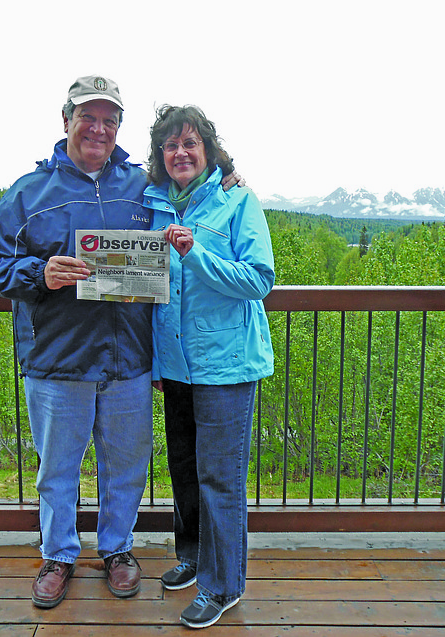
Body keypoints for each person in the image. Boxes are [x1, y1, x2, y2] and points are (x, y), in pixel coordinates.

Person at [0, 77, 241, 610]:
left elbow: (192, 190)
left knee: (126, 466)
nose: (98, 128)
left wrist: (227, 175)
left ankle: (117, 549)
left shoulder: (144, 187)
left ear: (118, 127)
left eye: (109, 119)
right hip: (56, 360)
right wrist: (38, 271)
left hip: (130, 360)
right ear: (66, 120)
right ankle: (58, 554)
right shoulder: (30, 191)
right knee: (58, 469)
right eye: (87, 116)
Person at [143, 105, 275, 629]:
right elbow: (148, 289)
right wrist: (155, 358)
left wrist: (196, 253)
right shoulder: (152, 204)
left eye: (190, 143)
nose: (180, 153)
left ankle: (224, 587)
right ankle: (194, 557)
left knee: (220, 479)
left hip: (226, 367)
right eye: (170, 145)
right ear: (160, 155)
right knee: (184, 471)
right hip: (175, 365)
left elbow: (258, 281)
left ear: (209, 151)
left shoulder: (238, 201)